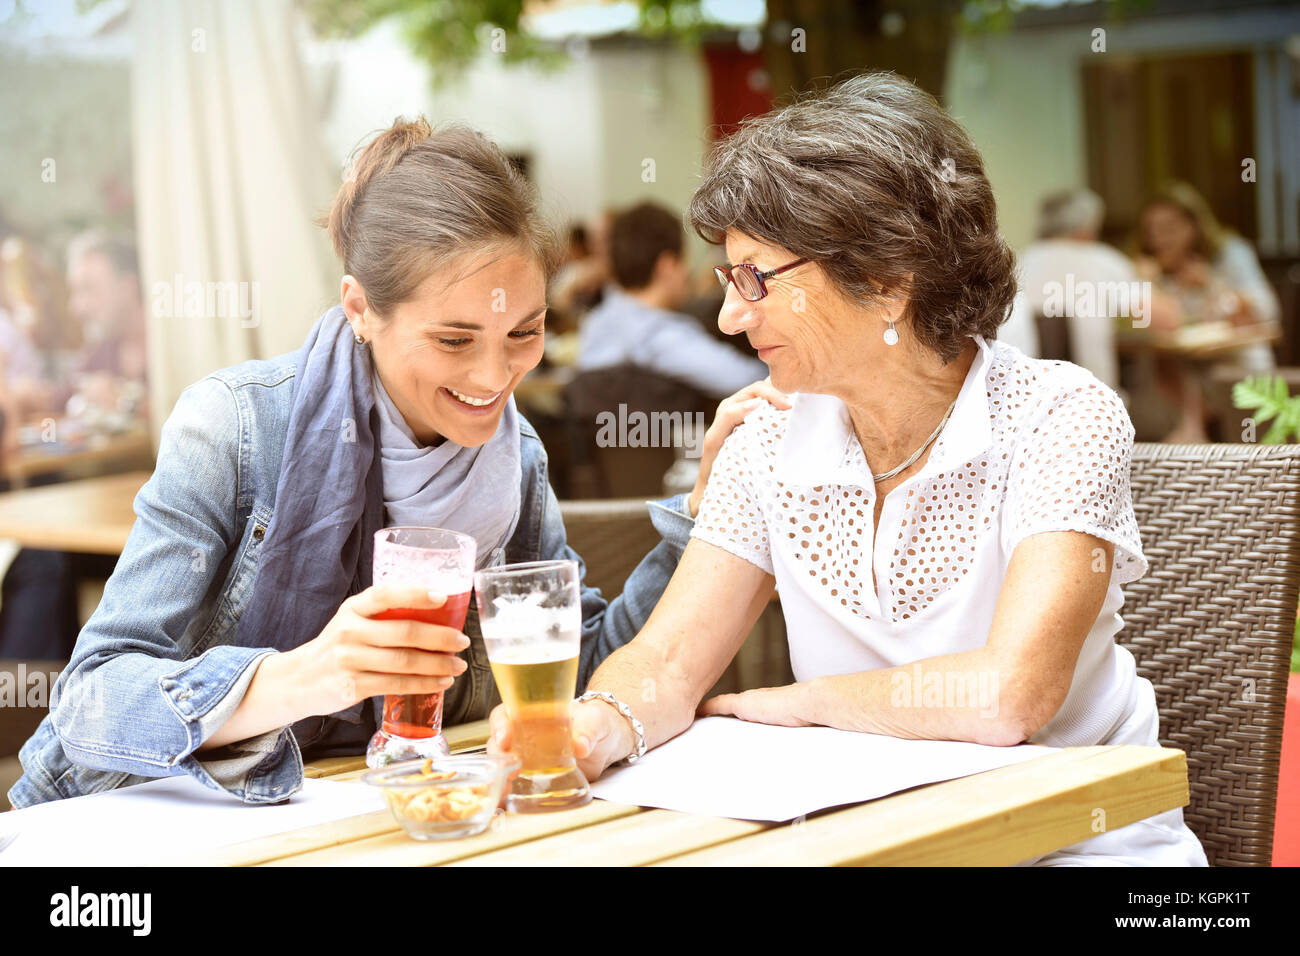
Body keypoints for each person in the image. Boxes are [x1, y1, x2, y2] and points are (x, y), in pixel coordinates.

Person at [489, 73, 1208, 866]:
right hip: (873, 843)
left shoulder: (1059, 416)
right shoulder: (767, 439)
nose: (729, 315)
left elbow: (1009, 695)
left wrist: (803, 704)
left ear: (889, 279)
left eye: (756, 278)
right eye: (728, 280)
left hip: (1074, 842)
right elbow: (666, 662)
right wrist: (595, 725)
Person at [7, 118, 776, 809]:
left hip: (351, 820)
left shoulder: (513, 457)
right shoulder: (235, 428)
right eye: (453, 340)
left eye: (524, 332)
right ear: (360, 309)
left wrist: (703, 515)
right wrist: (304, 676)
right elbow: (90, 701)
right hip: (126, 826)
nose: (494, 378)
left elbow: (583, 670)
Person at [1133, 181, 1281, 442]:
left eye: (1169, 228)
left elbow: (1267, 312)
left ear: (1194, 225)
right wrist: (1147, 285)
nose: (1159, 239)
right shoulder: (1152, 270)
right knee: (1161, 368)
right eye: (1151, 230)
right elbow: (1154, 326)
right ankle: (1191, 434)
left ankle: (1193, 434)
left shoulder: (1230, 253)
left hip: (1236, 361)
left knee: (1199, 374)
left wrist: (1213, 285)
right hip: (1184, 370)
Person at [576, 201, 768, 398]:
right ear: (667, 265)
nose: (687, 273)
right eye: (683, 261)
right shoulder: (658, 334)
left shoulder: (595, 321)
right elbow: (746, 379)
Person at [1002, 188, 1139, 393]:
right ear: (1087, 226)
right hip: (1095, 397)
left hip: (1029, 398)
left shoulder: (1017, 263)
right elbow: (1160, 318)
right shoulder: (1102, 260)